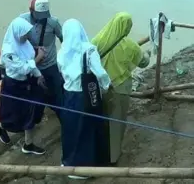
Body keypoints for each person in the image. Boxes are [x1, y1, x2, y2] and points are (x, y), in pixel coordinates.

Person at [91, 12, 151, 165]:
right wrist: (148, 54)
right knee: (116, 123)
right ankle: (113, 157)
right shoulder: (130, 46)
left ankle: (100, 153)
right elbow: (143, 63)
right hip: (120, 88)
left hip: (101, 87)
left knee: (102, 120)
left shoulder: (97, 40)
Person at [57, 19, 111, 179]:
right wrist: (107, 86)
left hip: (68, 95)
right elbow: (100, 73)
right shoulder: (89, 50)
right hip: (85, 96)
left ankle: (68, 162)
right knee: (87, 128)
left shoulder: (62, 51)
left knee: (70, 129)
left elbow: (61, 71)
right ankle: (85, 167)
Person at [0, 17, 46, 155]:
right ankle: (1, 127)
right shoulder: (8, 51)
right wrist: (39, 57)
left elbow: (29, 62)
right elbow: (23, 68)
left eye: (27, 33)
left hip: (28, 82)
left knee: (31, 111)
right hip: (13, 85)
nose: (27, 36)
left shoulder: (25, 44)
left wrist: (38, 75)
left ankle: (28, 144)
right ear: (17, 33)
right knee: (13, 114)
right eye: (24, 34)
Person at [20, 0, 63, 122]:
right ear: (31, 10)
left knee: (58, 97)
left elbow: (63, 39)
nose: (42, 19)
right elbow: (17, 42)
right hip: (33, 66)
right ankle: (34, 121)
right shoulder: (22, 21)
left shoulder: (53, 22)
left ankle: (65, 123)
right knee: (36, 100)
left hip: (51, 65)